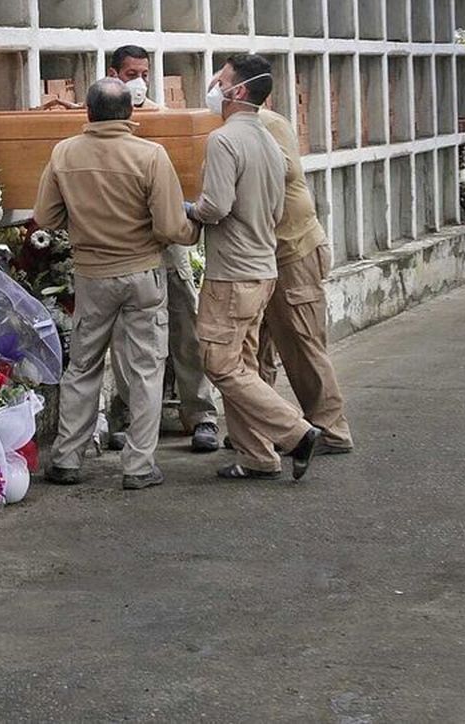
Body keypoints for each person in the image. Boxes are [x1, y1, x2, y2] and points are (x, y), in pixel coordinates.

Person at [35, 78, 199, 490]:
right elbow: (168, 225)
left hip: (91, 275)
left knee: (83, 366)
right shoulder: (151, 155)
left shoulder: (64, 153)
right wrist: (192, 230)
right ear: (130, 113)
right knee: (146, 368)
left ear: (88, 113)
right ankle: (139, 466)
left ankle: (67, 458)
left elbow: (47, 217)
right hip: (143, 273)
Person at [188, 54, 321, 480]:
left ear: (238, 91)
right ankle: (257, 456)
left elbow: (216, 208)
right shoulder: (268, 138)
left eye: (220, 79)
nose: (213, 85)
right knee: (242, 365)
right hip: (262, 268)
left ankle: (297, 433)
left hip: (232, 273)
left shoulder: (224, 140)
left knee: (220, 364)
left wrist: (182, 207)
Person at [104, 45, 221, 453]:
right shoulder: (99, 115)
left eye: (144, 73)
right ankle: (133, 415)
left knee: (185, 325)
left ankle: (201, 413)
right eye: (131, 73)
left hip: (167, 242)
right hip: (124, 245)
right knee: (126, 338)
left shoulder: (161, 118)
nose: (139, 81)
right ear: (113, 73)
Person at [255, 105, 353, 454]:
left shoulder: (266, 124)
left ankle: (331, 430)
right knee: (256, 349)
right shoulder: (238, 127)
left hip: (293, 251)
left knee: (302, 343)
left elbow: (283, 170)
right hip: (263, 254)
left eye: (221, 82)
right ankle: (260, 430)